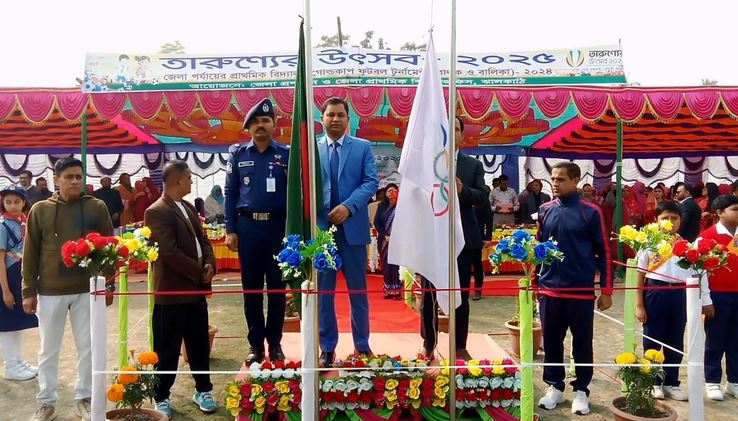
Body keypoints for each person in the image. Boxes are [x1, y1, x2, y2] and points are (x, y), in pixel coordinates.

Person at [22, 157, 114, 421]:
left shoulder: (97, 206)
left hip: (88, 290)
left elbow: (109, 246)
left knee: (88, 347)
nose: (74, 181)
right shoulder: (39, 209)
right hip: (49, 291)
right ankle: (46, 402)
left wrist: (107, 283)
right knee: (48, 349)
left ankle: (84, 398)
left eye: (78, 176)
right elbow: (30, 254)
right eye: (69, 177)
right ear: (56, 179)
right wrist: (28, 291)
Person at [536, 162, 612, 416]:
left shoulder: (591, 212)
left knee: (582, 343)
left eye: (560, 179)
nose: (554, 183)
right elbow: (539, 249)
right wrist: (536, 283)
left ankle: (581, 390)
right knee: (552, 342)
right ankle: (554, 386)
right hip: (549, 291)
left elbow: (604, 252)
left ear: (575, 180)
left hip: (579, 291)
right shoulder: (544, 210)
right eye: (553, 179)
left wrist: (607, 289)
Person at [144, 160, 217, 416]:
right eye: (188, 177)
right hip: (171, 293)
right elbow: (168, 252)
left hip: (196, 290)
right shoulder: (156, 211)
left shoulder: (187, 206)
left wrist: (210, 263)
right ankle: (161, 395)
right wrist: (199, 272)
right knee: (167, 348)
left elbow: (204, 239)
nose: (190, 181)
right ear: (176, 180)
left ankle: (203, 389)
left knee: (198, 343)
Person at [224, 98, 289, 365]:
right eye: (255, 122)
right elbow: (230, 193)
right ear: (248, 128)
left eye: (265, 120)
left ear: (274, 124)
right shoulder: (238, 155)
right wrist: (230, 229)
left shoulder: (285, 154)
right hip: (248, 228)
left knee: (277, 290)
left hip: (277, 230)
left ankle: (275, 344)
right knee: (251, 291)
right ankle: (255, 346)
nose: (260, 125)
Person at [316, 97, 379, 367]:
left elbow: (371, 181)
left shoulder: (362, 147)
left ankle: (362, 346)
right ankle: (327, 348)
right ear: (323, 118)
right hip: (321, 232)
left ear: (348, 119)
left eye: (341, 114)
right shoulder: (311, 148)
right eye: (330, 114)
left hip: (352, 229)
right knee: (324, 294)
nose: (336, 119)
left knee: (358, 292)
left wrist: (349, 207)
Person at [419, 116, 487, 361]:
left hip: (463, 238)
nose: (451, 134)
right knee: (429, 294)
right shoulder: (426, 164)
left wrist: (462, 191)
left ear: (461, 135)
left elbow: (482, 197)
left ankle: (459, 344)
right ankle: (429, 341)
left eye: (455, 129)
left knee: (461, 293)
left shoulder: (472, 165)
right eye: (445, 130)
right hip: (432, 238)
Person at [635, 200, 713, 401]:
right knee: (653, 337)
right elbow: (640, 275)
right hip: (655, 292)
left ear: (680, 220)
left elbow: (699, 273)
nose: (670, 221)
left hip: (679, 294)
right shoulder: (648, 244)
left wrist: (705, 300)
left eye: (674, 218)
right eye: (665, 218)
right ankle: (653, 381)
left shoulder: (687, 246)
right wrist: (639, 305)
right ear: (656, 220)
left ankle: (672, 382)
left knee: (675, 338)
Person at [699, 194, 738, 401]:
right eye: (735, 209)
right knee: (715, 339)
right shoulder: (706, 237)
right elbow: (700, 273)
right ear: (720, 213)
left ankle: (734, 381)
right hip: (718, 297)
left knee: (736, 339)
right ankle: (712, 381)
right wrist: (706, 300)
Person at [0, 185, 38, 381]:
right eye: (8, 202)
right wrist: (5, 290)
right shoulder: (3, 225)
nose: (13, 206)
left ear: (24, 202)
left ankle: (18, 360)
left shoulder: (24, 222)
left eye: (17, 201)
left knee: (17, 322)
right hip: (6, 277)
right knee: (7, 323)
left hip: (19, 275)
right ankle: (10, 365)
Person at [374, 183, 400, 299]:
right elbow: (377, 223)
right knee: (386, 266)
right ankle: (388, 290)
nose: (391, 193)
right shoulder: (381, 206)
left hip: (397, 240)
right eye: (389, 190)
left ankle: (397, 291)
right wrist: (385, 235)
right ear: (385, 193)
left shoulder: (401, 206)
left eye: (394, 190)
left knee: (396, 266)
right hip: (384, 241)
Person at [472, 185, 494, 301]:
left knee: (477, 264)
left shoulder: (482, 197)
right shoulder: (460, 193)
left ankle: (478, 290)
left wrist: (487, 237)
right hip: (460, 235)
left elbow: (488, 218)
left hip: (477, 236)